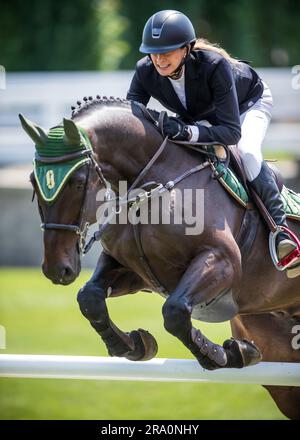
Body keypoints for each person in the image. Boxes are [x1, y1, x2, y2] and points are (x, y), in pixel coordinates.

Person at [126, 9, 300, 277]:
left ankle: (281, 232)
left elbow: (230, 132)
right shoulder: (145, 71)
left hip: (247, 105)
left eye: (168, 51)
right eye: (153, 52)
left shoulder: (213, 65)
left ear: (186, 49)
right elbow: (133, 115)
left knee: (248, 153)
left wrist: (185, 131)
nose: (159, 59)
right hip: (205, 115)